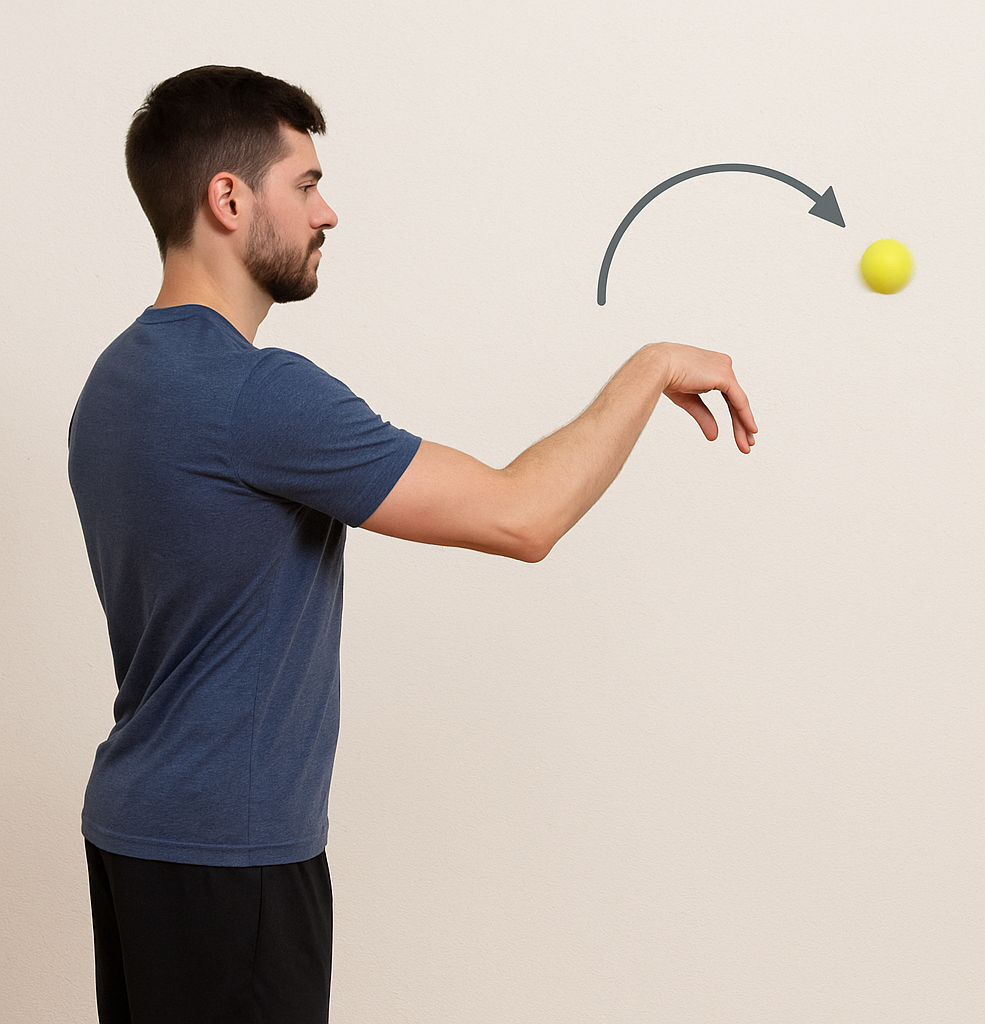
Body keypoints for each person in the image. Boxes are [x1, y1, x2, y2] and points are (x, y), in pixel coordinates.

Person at [68, 66, 758, 1024]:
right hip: (236, 866)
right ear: (227, 198)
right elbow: (523, 514)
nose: (329, 213)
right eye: (305, 185)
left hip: (135, 837)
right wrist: (650, 368)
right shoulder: (256, 395)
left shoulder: (115, 383)